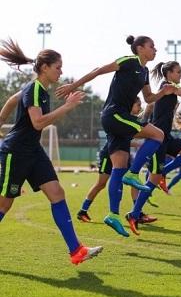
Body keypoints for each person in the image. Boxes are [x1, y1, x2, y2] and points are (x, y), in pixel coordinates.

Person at [0, 38, 103, 264]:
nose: (61, 71)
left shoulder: (37, 90)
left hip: (33, 151)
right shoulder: (34, 88)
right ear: (45, 68)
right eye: (58, 67)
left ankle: (76, 251)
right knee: (4, 204)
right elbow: (37, 123)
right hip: (16, 152)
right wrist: (67, 107)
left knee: (57, 193)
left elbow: (10, 101)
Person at [56, 35, 169, 237]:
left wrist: (165, 91)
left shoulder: (143, 72)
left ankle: (113, 215)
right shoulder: (128, 61)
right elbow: (98, 71)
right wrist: (73, 86)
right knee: (158, 135)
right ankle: (133, 174)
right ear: (140, 48)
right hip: (115, 114)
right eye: (152, 46)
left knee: (118, 166)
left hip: (119, 120)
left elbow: (149, 98)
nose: (155, 49)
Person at [124, 61, 181, 235]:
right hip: (158, 139)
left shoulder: (165, 89)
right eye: (178, 72)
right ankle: (134, 214)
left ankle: (163, 173)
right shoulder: (168, 86)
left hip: (167, 137)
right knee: (153, 180)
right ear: (169, 74)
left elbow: (151, 106)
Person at [76, 97, 157, 225]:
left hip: (122, 154)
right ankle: (83, 211)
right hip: (108, 155)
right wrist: (138, 144)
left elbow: (138, 126)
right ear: (130, 105)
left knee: (134, 181)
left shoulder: (130, 120)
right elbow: (120, 140)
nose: (139, 107)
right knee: (101, 184)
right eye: (138, 105)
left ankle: (138, 213)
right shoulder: (119, 119)